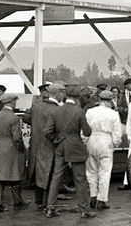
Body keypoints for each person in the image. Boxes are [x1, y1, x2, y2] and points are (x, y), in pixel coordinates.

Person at [44, 85, 92, 218]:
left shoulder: (55, 111)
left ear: (66, 97)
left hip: (60, 146)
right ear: (76, 98)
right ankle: (84, 209)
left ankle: (50, 207)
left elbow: (47, 131)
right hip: (76, 146)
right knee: (80, 179)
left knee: (56, 177)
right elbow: (87, 132)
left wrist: (56, 140)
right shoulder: (80, 111)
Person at [24, 82, 62, 209]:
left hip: (36, 143)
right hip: (50, 144)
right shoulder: (57, 109)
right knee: (50, 173)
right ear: (57, 94)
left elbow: (26, 118)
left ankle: (39, 201)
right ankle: (48, 203)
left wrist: (36, 126)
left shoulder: (36, 106)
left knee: (38, 173)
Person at [0, 94, 27, 213]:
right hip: (12, 148)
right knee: (15, 174)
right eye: (15, 101)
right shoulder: (13, 118)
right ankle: (18, 201)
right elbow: (17, 137)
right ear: (11, 102)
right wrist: (21, 149)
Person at [84, 90, 122, 209]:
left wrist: (85, 142)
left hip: (92, 139)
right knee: (104, 172)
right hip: (106, 141)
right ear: (110, 100)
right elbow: (117, 134)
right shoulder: (113, 114)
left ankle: (93, 196)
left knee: (91, 171)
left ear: (99, 99)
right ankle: (102, 200)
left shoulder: (90, 112)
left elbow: (84, 130)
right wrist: (115, 145)